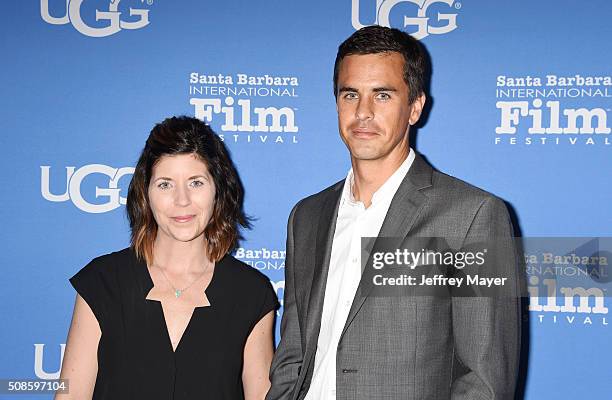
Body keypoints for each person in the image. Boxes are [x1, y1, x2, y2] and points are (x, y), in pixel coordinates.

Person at [266, 26, 521, 400]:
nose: (363, 112)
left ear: (414, 107)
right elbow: (293, 353)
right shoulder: (306, 217)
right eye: (350, 94)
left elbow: (484, 379)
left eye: (382, 95)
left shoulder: (475, 215)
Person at [56, 116, 279, 400]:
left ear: (218, 190)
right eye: (165, 184)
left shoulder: (251, 294)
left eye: (196, 182)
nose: (181, 200)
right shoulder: (102, 283)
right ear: (145, 192)